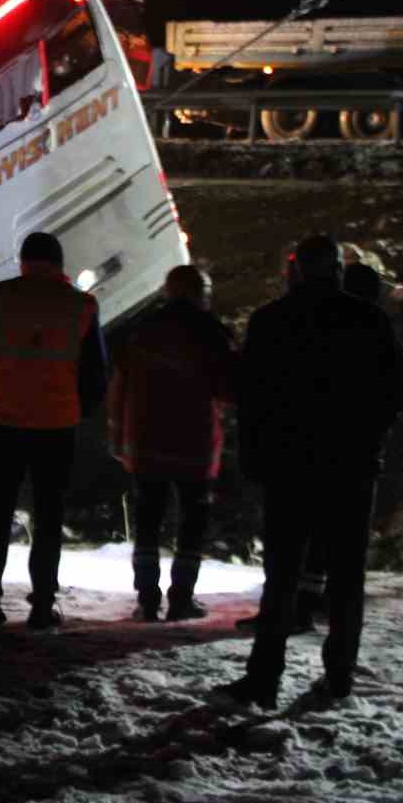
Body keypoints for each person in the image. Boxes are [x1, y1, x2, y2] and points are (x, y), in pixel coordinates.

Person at [214, 235, 403, 709]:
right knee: (346, 577)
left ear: (296, 268)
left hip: (289, 465)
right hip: (351, 467)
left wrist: (256, 457)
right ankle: (338, 676)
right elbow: (394, 393)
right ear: (338, 270)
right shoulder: (370, 320)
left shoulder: (272, 320)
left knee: (281, 575)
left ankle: (263, 679)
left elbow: (249, 393)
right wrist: (367, 441)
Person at [0, 232, 108, 629]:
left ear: (23, 260)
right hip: (57, 425)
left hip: (6, 422)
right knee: (48, 517)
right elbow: (96, 373)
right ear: (59, 263)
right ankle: (42, 605)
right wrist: (79, 409)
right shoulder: (81, 306)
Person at [108, 265, 234, 623]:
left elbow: (119, 386)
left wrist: (117, 434)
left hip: (147, 441)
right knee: (192, 523)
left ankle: (147, 599)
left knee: (148, 521)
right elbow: (229, 387)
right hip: (194, 445)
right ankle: (181, 598)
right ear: (200, 293)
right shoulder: (212, 333)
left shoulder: (142, 331)